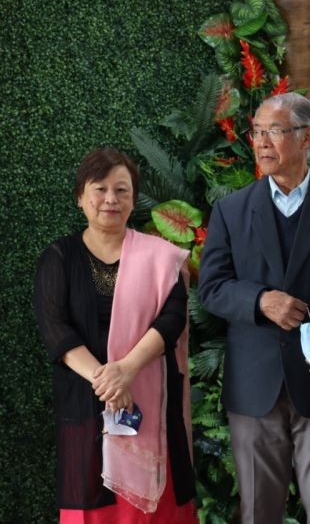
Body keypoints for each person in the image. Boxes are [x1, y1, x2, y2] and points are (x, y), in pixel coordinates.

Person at [197, 93, 310, 524]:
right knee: (258, 512)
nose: (261, 142)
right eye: (256, 132)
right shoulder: (231, 210)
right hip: (254, 388)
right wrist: (260, 300)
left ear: (306, 137)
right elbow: (212, 287)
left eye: (273, 131)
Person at [33, 148, 196, 523]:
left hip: (153, 408)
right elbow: (55, 329)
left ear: (133, 198)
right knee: (92, 510)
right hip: (85, 408)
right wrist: (108, 382)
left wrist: (127, 370)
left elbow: (171, 320)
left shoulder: (160, 257)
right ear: (80, 197)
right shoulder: (59, 257)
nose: (111, 199)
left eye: (122, 190)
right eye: (100, 189)